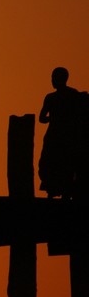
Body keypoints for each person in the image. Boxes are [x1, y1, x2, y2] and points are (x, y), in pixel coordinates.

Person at [38, 66, 82, 199]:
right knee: (53, 162)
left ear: (61, 79)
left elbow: (42, 118)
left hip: (60, 135)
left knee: (61, 162)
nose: (52, 80)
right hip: (61, 135)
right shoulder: (72, 94)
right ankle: (55, 190)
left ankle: (60, 190)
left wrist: (53, 118)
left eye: (54, 77)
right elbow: (41, 118)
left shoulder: (53, 97)